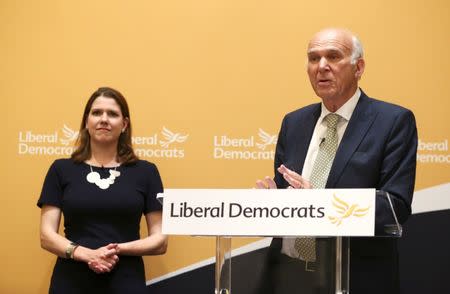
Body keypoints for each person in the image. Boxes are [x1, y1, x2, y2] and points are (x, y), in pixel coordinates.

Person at [255, 28, 418, 294]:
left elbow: (394, 207)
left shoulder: (392, 121)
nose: (321, 67)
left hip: (354, 275)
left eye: (333, 56)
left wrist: (319, 202)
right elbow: (292, 194)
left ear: (359, 66)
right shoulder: (294, 122)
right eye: (313, 58)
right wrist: (274, 202)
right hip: (287, 273)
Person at [38, 87, 167, 294]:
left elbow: (160, 240)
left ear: (124, 124)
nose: (104, 119)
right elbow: (46, 235)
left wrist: (115, 250)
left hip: (127, 281)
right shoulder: (61, 169)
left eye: (113, 114)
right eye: (97, 113)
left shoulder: (146, 172)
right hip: (71, 282)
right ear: (87, 121)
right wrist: (86, 254)